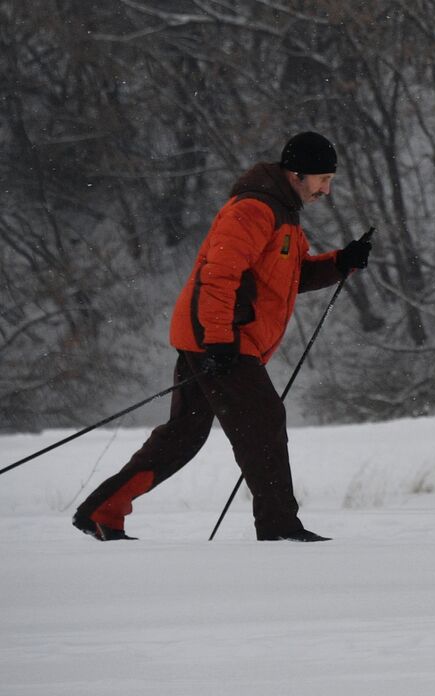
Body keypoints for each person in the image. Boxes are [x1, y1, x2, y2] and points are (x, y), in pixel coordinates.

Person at [72, 132, 373, 542]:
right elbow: (218, 275)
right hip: (221, 338)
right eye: (323, 178)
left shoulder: (283, 215)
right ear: (296, 174)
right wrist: (218, 340)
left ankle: (103, 511)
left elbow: (291, 277)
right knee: (264, 422)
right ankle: (279, 527)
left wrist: (342, 262)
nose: (327, 189)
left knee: (184, 435)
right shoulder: (253, 209)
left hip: (218, 336)